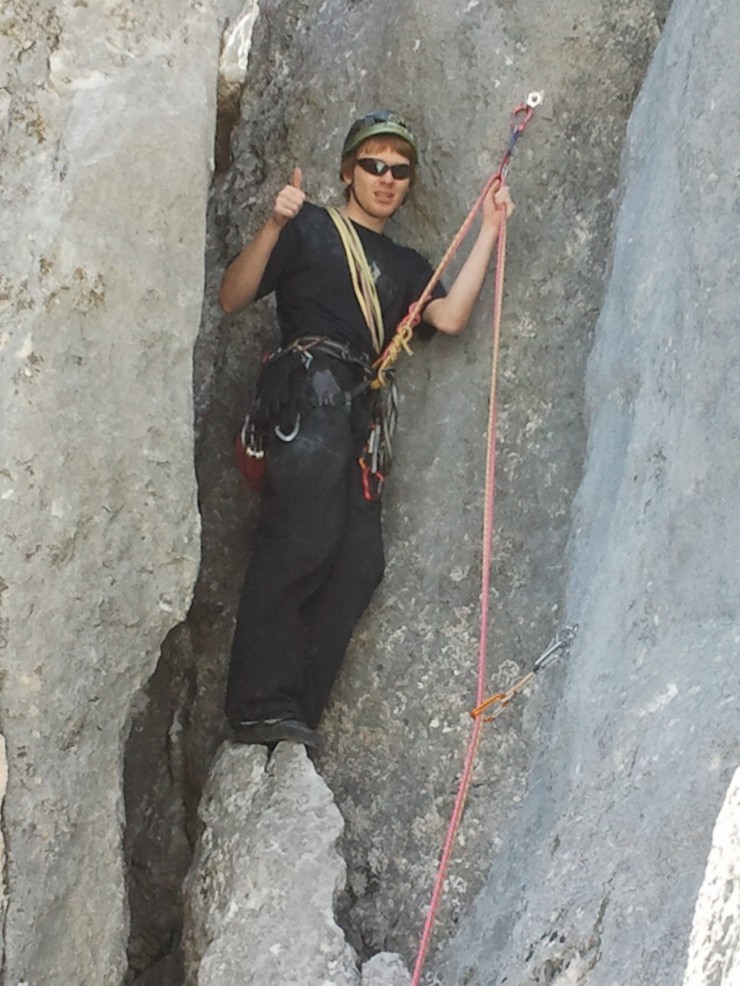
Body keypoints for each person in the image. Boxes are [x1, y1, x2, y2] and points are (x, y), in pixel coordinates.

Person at [219, 110, 514, 747]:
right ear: (349, 172)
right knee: (303, 534)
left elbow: (452, 316)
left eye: (399, 170)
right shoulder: (311, 228)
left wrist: (490, 227)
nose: (386, 178)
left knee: (359, 561)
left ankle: (295, 709)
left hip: (356, 408)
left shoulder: (406, 264)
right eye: (374, 165)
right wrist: (274, 222)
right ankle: (256, 704)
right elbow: (233, 296)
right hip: (306, 390)